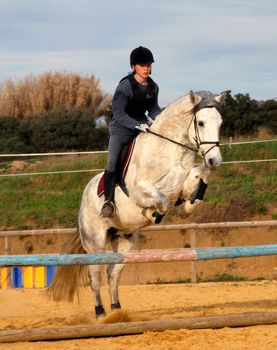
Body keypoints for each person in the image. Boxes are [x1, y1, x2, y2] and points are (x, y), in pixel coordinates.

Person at [100, 46, 161, 218]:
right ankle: (108, 201)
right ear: (134, 66)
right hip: (120, 130)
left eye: (149, 65)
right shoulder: (125, 86)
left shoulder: (153, 87)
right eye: (143, 65)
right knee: (112, 162)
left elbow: (154, 109)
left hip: (141, 128)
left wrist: (160, 121)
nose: (147, 68)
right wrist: (136, 125)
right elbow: (118, 113)